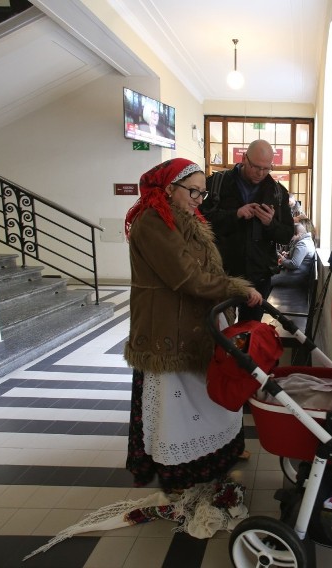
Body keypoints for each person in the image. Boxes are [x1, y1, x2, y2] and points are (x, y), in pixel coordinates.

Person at [123, 158, 262, 492]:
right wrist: (237, 288)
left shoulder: (184, 218)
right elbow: (186, 276)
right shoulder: (153, 221)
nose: (199, 200)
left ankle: (216, 454)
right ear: (169, 188)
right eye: (193, 192)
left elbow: (204, 271)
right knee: (175, 405)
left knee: (201, 396)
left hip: (193, 320)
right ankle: (180, 470)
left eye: (202, 193)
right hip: (167, 326)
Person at [200, 139, 295, 322]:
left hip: (258, 275)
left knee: (250, 332)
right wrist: (235, 215)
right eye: (256, 167)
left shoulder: (277, 192)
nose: (261, 173)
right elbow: (200, 222)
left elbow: (286, 235)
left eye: (267, 168)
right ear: (244, 158)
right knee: (218, 329)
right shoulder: (217, 183)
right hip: (221, 272)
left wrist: (270, 224)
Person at [272, 222, 316, 288]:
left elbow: (294, 264)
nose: (290, 239)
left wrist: (283, 260)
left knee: (267, 280)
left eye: (291, 235)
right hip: (297, 275)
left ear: (297, 234)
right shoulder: (307, 240)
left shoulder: (302, 244)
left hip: (296, 277)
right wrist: (288, 254)